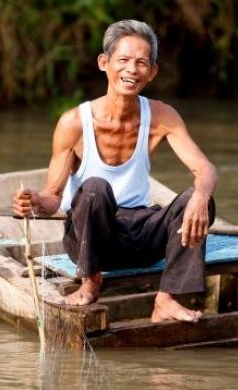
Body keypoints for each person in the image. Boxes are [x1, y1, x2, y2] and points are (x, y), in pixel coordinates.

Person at [13, 20, 217, 323]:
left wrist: (201, 195)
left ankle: (166, 299)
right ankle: (91, 282)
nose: (131, 70)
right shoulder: (74, 123)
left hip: (140, 235)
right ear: (104, 63)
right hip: (90, 238)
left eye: (141, 63)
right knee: (95, 187)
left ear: (152, 72)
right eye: (123, 60)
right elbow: (53, 197)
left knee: (199, 201)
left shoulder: (161, 115)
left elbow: (204, 168)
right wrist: (32, 203)